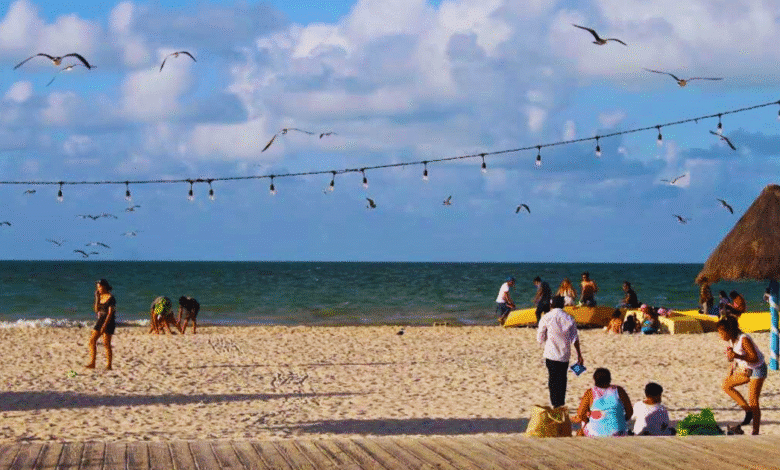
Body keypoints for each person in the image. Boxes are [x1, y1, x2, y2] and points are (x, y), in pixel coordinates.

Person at [718, 315, 766, 435]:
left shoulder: (744, 339)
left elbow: (754, 357)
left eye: (721, 332)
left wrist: (737, 356)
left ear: (729, 331)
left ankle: (755, 431)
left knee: (753, 400)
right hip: (746, 369)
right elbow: (735, 357)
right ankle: (747, 411)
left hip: (757, 369)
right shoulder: (732, 340)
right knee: (726, 385)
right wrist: (732, 366)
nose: (720, 335)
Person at [537, 295, 584, 408]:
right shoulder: (569, 318)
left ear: (551, 304)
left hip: (551, 353)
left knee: (552, 379)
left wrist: (546, 338)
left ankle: (555, 404)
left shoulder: (546, 317)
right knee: (562, 379)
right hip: (564, 354)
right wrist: (579, 355)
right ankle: (561, 403)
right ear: (563, 305)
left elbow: (540, 338)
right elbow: (575, 339)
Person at [575, 368, 632, 436]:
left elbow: (581, 414)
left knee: (582, 427)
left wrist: (588, 420)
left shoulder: (590, 393)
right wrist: (621, 420)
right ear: (609, 379)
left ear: (595, 379)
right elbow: (630, 411)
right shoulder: (619, 390)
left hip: (596, 433)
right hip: (618, 432)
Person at [86, 279, 116, 370]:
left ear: (104, 286)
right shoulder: (101, 296)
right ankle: (92, 362)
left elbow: (110, 313)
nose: (98, 289)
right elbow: (96, 310)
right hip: (100, 320)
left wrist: (104, 326)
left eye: (99, 287)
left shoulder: (111, 297)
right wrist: (97, 298)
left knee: (106, 344)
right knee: (92, 340)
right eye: (97, 287)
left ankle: (109, 365)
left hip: (109, 321)